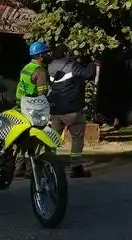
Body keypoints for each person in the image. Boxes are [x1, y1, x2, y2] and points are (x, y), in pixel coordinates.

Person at [47, 47, 95, 178]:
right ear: (66, 54)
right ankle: (76, 168)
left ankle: (48, 165)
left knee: (52, 139)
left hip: (56, 110)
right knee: (77, 139)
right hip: (72, 110)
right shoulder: (73, 66)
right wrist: (91, 61)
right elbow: (89, 74)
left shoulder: (50, 67)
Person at [13, 41, 51, 178]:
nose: (48, 55)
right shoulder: (40, 70)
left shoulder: (26, 68)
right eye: (46, 53)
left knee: (22, 139)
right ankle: (31, 169)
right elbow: (42, 93)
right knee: (34, 139)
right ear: (40, 55)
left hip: (21, 105)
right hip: (33, 107)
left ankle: (19, 167)